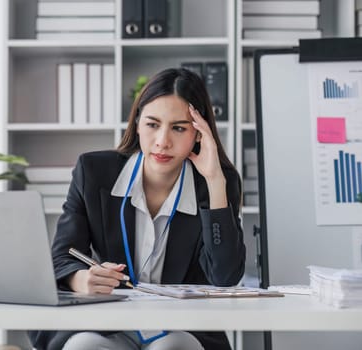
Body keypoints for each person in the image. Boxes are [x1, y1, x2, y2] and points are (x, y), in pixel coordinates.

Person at [28, 67, 245, 350]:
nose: (162, 141)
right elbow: (62, 256)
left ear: (199, 134)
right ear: (138, 123)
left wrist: (215, 180)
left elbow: (225, 277)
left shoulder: (217, 182)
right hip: (108, 324)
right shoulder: (94, 172)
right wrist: (81, 278)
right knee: (84, 347)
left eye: (179, 128)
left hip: (179, 327)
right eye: (153, 124)